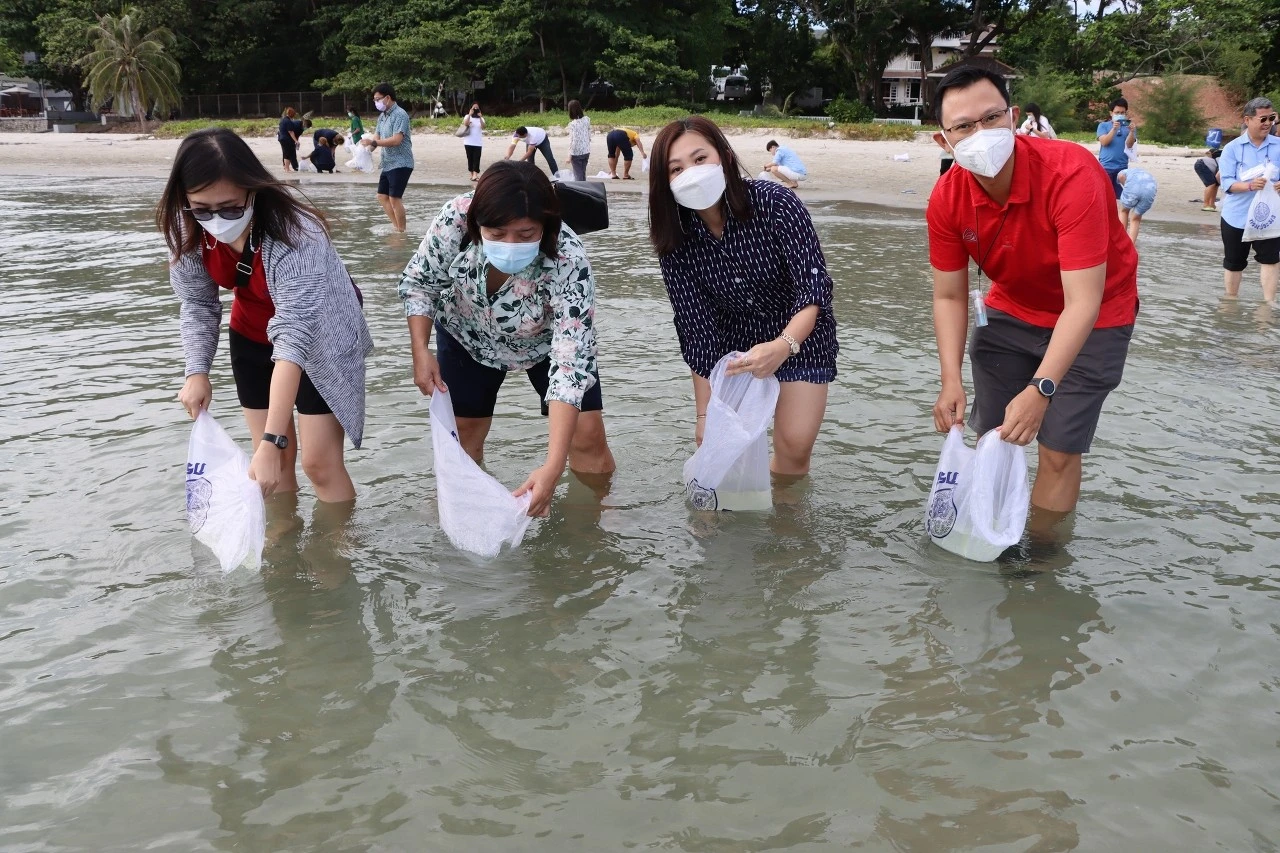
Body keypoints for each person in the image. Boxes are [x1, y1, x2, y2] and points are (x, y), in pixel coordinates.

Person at [928, 65, 1138, 517]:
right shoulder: (947, 198)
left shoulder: (1071, 174)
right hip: (1012, 306)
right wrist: (949, 380)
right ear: (943, 141)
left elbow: (1084, 300)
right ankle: (991, 536)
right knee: (992, 436)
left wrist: (1041, 388)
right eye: (963, 126)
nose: (980, 132)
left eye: (991, 118)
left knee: (1059, 450)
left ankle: (1039, 567)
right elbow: (948, 295)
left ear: (1013, 116)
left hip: (1097, 313)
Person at [158, 128, 373, 503]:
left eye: (229, 207)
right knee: (272, 469)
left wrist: (274, 439)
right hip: (252, 333)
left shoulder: (298, 232)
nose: (216, 219)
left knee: (319, 465)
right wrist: (197, 371)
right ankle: (281, 553)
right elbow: (197, 303)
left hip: (320, 335)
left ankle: (337, 557)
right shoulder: (187, 225)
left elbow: (294, 335)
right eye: (202, 208)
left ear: (252, 190)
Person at [398, 161, 616, 517]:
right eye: (497, 234)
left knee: (587, 434)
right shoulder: (455, 218)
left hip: (546, 344)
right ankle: (466, 516)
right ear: (477, 224)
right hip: (467, 334)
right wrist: (420, 350)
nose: (510, 243)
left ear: (546, 226)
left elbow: (570, 363)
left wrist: (553, 466)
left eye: (526, 233)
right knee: (465, 432)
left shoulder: (568, 258)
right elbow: (420, 283)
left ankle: (601, 512)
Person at [648, 116, 837, 478]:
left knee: (794, 448)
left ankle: (785, 525)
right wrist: (703, 416)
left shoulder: (776, 203)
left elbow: (813, 289)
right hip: (732, 350)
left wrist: (783, 345)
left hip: (801, 335)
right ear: (665, 182)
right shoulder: (675, 240)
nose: (691, 172)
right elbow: (696, 328)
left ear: (724, 157)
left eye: (700, 158)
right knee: (724, 453)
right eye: (676, 168)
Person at [1218, 96, 1280, 306]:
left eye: (1271, 118)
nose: (1268, 123)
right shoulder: (1232, 149)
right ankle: (1230, 304)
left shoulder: (1278, 146)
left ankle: (1268, 306)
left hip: (1269, 217)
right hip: (1236, 217)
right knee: (1234, 263)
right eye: (1263, 119)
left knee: (1271, 260)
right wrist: (1250, 185)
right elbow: (1227, 184)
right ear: (1247, 120)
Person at [361, 82, 414, 232]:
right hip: (388, 162)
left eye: (378, 99)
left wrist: (374, 142)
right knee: (381, 196)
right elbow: (376, 136)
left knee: (394, 198)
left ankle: (402, 232)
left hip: (402, 162)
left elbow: (397, 140)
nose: (376, 102)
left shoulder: (400, 114)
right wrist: (366, 150)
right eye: (375, 100)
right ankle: (397, 227)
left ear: (388, 97)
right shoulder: (382, 116)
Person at [1097, 97, 1137, 202]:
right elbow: (1104, 142)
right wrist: (1114, 129)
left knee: (1121, 197)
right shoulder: (1103, 126)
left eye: (1122, 112)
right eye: (1117, 112)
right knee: (1105, 196)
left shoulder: (1128, 127)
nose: (1120, 114)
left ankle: (1119, 216)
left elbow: (1129, 145)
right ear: (1111, 113)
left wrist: (1132, 132)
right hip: (1106, 166)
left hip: (1122, 167)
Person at [1116, 167, 1157, 242]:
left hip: (1134, 188)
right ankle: (1131, 245)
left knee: (1123, 211)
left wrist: (1125, 186)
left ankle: (1122, 240)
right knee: (1136, 218)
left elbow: (1121, 177)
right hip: (1150, 190)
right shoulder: (1143, 173)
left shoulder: (1122, 172)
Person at [567, 100, 591, 181]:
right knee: (582, 172)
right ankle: (584, 190)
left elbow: (573, 140)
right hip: (586, 150)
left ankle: (580, 191)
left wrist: (570, 155)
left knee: (578, 175)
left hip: (576, 152)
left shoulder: (572, 124)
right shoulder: (587, 119)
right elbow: (589, 134)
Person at [461, 102, 485, 182]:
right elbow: (465, 123)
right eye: (473, 108)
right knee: (470, 158)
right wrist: (469, 115)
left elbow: (483, 126)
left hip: (478, 142)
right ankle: (472, 174)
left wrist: (480, 117)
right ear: (470, 108)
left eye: (476, 108)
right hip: (468, 142)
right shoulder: (467, 116)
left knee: (477, 158)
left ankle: (475, 174)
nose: (475, 109)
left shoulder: (481, 118)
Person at [1195, 148, 1221, 212]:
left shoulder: (1218, 158)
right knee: (1211, 184)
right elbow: (1219, 173)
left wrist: (1218, 183)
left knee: (1215, 185)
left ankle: (1212, 204)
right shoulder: (1223, 160)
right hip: (1201, 164)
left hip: (1203, 164)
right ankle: (1206, 205)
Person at [276, 107, 301, 172]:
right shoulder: (288, 121)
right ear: (292, 114)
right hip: (286, 139)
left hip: (281, 138)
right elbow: (291, 132)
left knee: (285, 153)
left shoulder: (282, 120)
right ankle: (287, 168)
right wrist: (296, 141)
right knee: (287, 154)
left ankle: (286, 167)